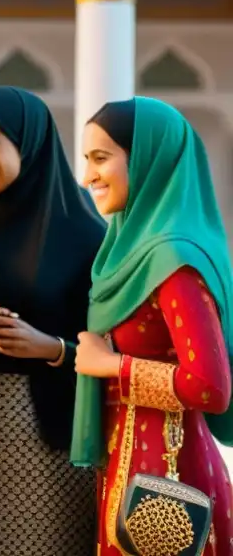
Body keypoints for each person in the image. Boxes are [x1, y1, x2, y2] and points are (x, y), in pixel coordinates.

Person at [0, 86, 103, 555]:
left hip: (54, 450)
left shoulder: (90, 239)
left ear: (28, 145)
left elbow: (117, 353)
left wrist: (52, 348)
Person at [74, 97, 233, 556]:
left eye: (101, 158)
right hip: (127, 472)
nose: (88, 177)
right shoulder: (124, 253)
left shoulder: (172, 260)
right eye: (87, 159)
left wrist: (112, 367)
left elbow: (211, 387)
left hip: (170, 481)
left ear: (146, 160)